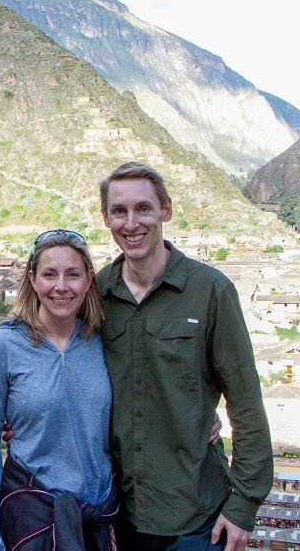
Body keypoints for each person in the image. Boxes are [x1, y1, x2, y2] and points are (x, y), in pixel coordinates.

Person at [96, 161, 272, 551]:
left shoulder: (210, 290)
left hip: (195, 517)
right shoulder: (96, 294)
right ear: (105, 218)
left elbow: (245, 400)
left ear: (166, 210)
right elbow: (63, 365)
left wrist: (244, 505)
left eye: (143, 208)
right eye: (119, 211)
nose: (131, 223)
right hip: (115, 513)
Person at [0, 230, 118, 551]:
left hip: (99, 512)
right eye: (49, 274)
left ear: (89, 280)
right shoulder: (3, 347)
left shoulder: (103, 341)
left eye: (73, 275)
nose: (61, 286)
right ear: (33, 279)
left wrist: (204, 414)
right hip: (35, 517)